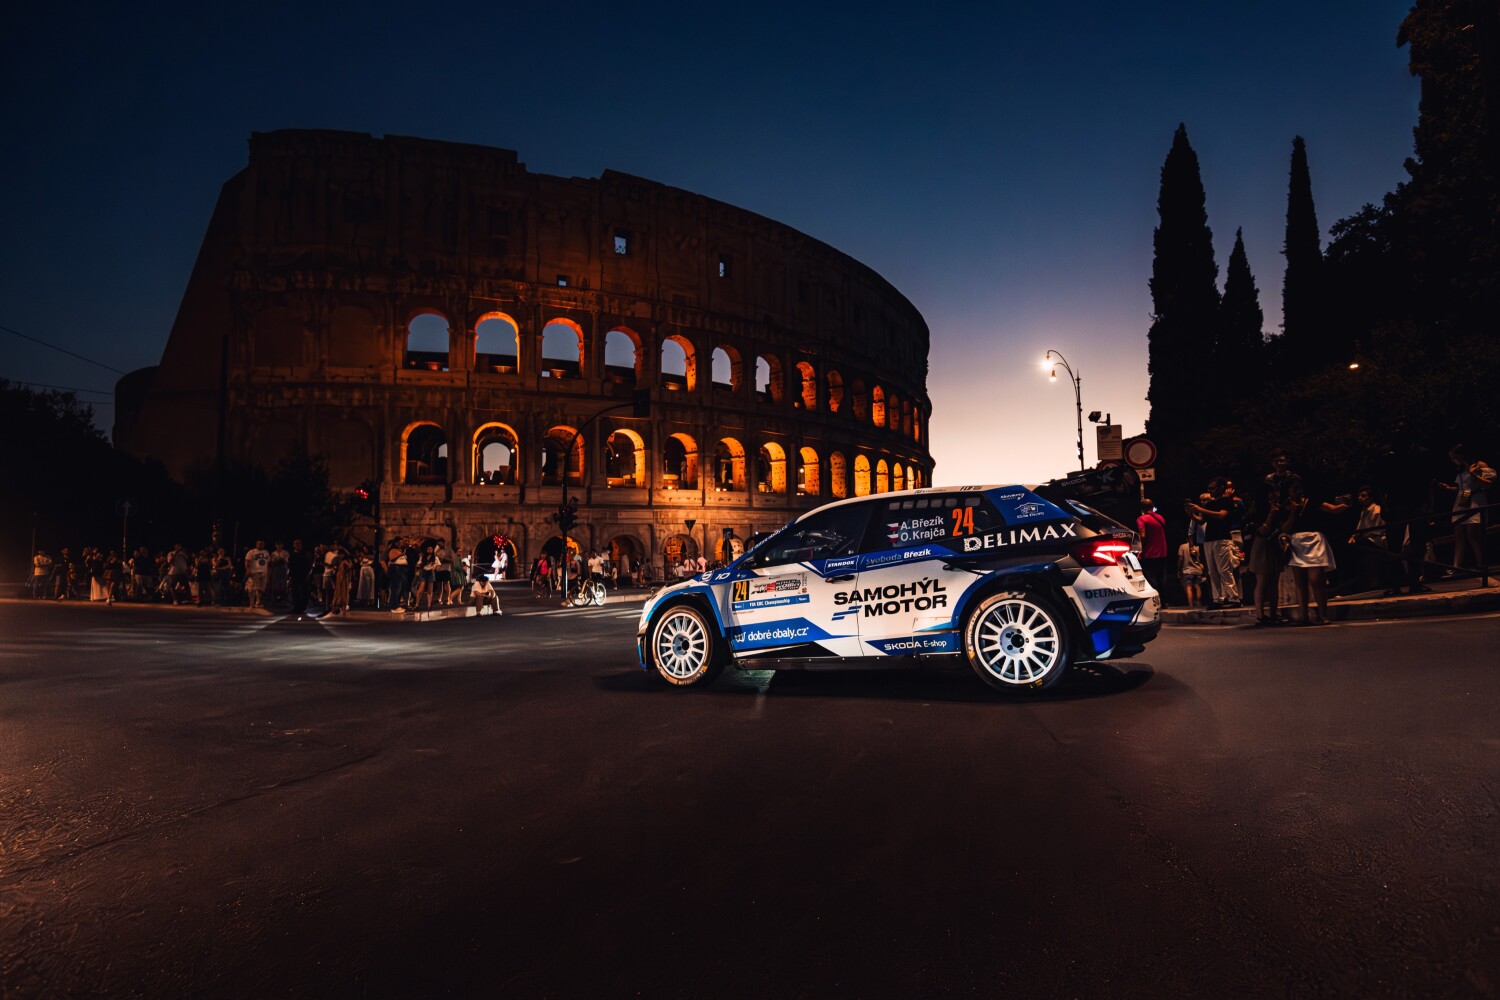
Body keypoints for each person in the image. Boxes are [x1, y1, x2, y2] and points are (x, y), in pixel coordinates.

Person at [1278, 479, 1350, 625]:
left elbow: (1332, 508)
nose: (1295, 493)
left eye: (1297, 489)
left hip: (1314, 541)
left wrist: (1343, 505)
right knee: (1300, 583)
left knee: (1316, 580)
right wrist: (1293, 511)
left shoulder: (1312, 502)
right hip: (1296, 542)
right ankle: (1304, 616)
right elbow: (1285, 528)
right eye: (1292, 490)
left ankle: (1323, 615)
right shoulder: (1286, 507)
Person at [1439, 444, 1495, 578]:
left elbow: (1489, 484)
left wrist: (1473, 474)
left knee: (1472, 533)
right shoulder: (1461, 468)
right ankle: (1456, 566)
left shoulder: (1478, 465)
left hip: (1475, 498)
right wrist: (1449, 488)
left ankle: (1481, 564)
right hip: (1463, 499)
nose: (1454, 460)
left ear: (1463, 454)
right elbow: (1462, 488)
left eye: (1455, 456)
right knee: (1459, 534)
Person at [1185, 478, 1241, 608]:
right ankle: (1218, 599)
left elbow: (1222, 515)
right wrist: (1191, 514)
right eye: (1209, 488)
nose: (1210, 491)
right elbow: (1202, 521)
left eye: (1212, 488)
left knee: (1224, 570)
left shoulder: (1226, 501)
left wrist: (1201, 509)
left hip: (1222, 539)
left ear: (1221, 488)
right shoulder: (1210, 503)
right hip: (1209, 539)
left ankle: (1234, 598)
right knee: (1212, 571)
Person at [1135, 499, 1169, 604]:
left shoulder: (1141, 519)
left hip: (1149, 553)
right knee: (1162, 578)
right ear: (1152, 506)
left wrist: (1140, 548)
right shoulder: (1160, 518)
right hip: (1163, 552)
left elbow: (1143, 535)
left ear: (1142, 508)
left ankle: (1156, 602)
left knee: (1150, 578)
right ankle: (1164, 602)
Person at [1176, 536, 1205, 608]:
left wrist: (1178, 570)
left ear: (1186, 539)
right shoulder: (1197, 547)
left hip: (1187, 571)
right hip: (1197, 570)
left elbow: (1180, 559)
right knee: (1197, 586)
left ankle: (1191, 605)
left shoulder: (1182, 547)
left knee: (1189, 587)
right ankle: (1199, 603)